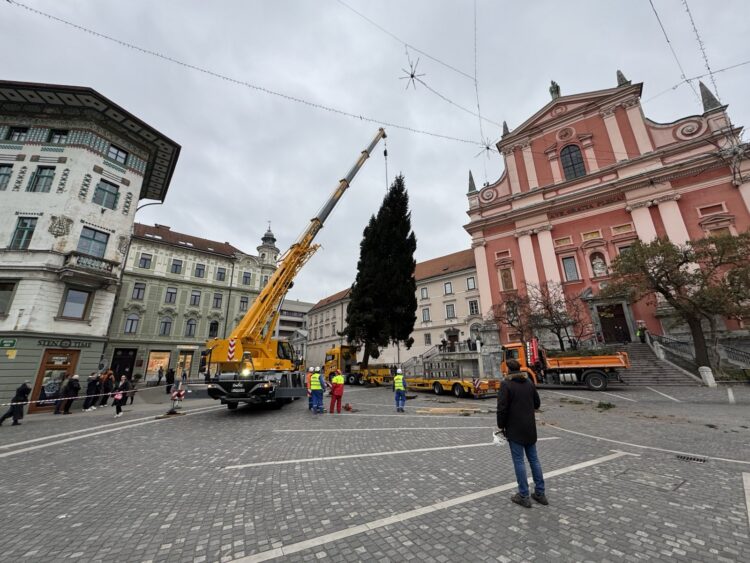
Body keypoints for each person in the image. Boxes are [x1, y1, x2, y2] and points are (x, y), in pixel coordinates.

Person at [497, 359, 547, 509]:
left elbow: (502, 408)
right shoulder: (529, 383)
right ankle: (540, 493)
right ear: (520, 368)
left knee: (519, 462)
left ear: (508, 370)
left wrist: (501, 425)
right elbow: (537, 404)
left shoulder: (506, 384)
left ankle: (524, 495)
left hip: (515, 429)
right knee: (534, 460)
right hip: (530, 428)